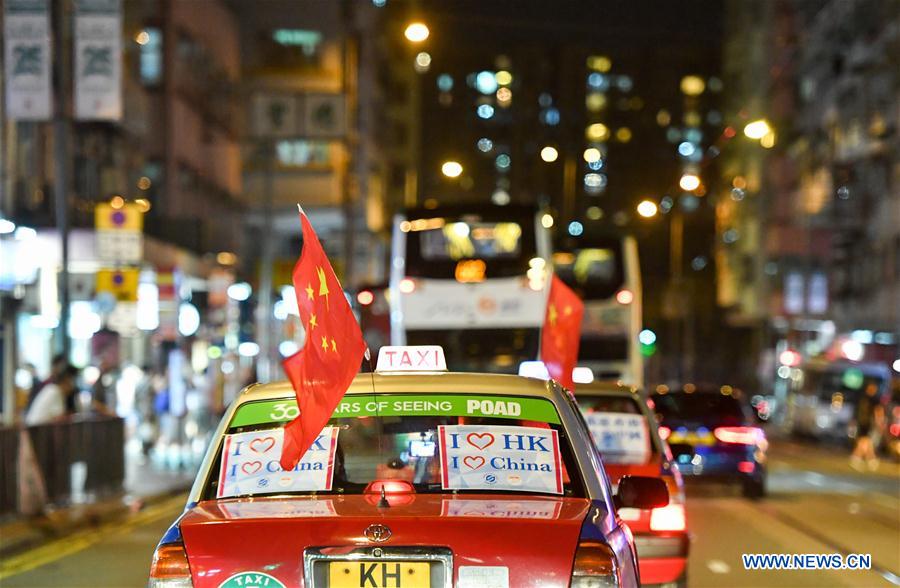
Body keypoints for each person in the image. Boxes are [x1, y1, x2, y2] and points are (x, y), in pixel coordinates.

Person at [851, 382, 883, 471]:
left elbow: (856, 411)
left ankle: (867, 459)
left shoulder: (862, 398)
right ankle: (865, 458)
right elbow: (878, 411)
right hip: (867, 422)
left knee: (865, 440)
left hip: (861, 422)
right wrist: (879, 422)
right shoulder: (874, 399)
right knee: (866, 440)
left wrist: (853, 421)